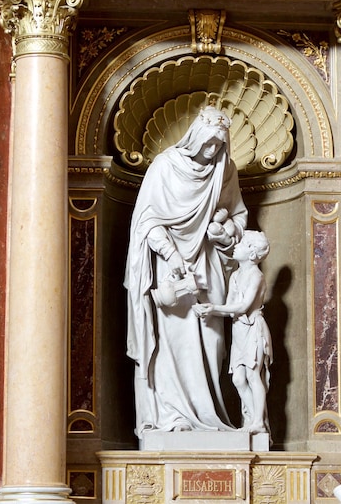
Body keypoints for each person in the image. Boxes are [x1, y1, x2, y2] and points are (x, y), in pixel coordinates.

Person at [124, 104, 247, 438]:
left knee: (212, 340)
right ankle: (172, 417)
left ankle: (209, 415)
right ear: (194, 137)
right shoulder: (165, 166)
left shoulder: (225, 170)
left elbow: (239, 216)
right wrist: (172, 254)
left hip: (208, 264)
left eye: (219, 145)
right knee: (173, 344)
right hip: (170, 267)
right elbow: (147, 221)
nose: (212, 150)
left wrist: (225, 231)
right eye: (208, 142)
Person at [193, 230, 272, 434]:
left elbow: (243, 306)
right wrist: (206, 307)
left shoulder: (256, 276)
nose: (236, 245)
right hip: (238, 331)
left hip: (253, 328)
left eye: (243, 243)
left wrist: (213, 308)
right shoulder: (236, 275)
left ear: (252, 254)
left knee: (253, 375)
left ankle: (258, 423)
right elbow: (229, 307)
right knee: (238, 379)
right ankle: (255, 418)